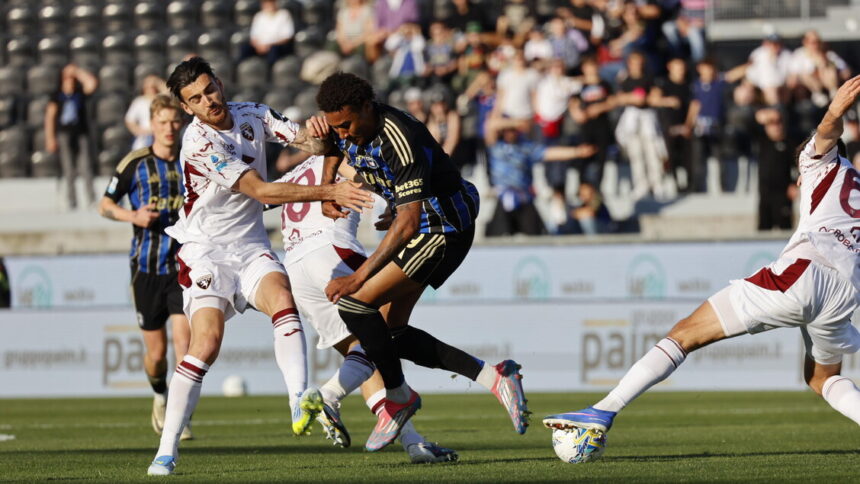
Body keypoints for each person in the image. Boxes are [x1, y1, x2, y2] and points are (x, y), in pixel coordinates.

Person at [544, 76, 860, 452]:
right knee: (822, 378)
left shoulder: (816, 163)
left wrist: (834, 110)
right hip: (845, 293)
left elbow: (826, 133)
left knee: (684, 334)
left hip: (804, 272)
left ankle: (603, 410)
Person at [146, 57, 372, 476]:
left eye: (209, 88)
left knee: (283, 301)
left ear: (219, 80)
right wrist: (330, 188)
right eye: (195, 99)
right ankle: (166, 449)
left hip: (250, 245)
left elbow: (304, 141)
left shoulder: (253, 113)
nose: (208, 100)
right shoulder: (198, 144)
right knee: (206, 344)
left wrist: (318, 135)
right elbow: (264, 192)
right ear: (187, 108)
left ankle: (299, 400)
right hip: (206, 250)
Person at [307, 72, 530, 453]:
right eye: (335, 126)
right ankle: (495, 377)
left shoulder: (400, 136)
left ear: (366, 107)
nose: (342, 133)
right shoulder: (348, 128)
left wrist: (357, 277)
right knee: (391, 333)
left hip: (442, 228)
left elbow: (409, 223)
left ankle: (397, 398)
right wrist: (328, 189)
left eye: (345, 125)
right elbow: (331, 146)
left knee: (354, 302)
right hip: (422, 222)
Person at [275, 153, 458, 464]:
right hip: (331, 250)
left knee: (364, 354)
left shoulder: (298, 170)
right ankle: (328, 397)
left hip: (295, 266)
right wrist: (398, 204)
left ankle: (414, 443)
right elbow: (371, 177)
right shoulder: (343, 152)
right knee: (383, 330)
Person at [98, 94, 193, 441]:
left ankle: (179, 417)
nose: (170, 129)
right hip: (146, 268)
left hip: (183, 268)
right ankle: (159, 395)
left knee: (185, 344)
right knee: (157, 355)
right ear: (152, 125)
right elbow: (105, 204)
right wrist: (133, 215)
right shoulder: (135, 163)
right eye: (163, 123)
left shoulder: (191, 159)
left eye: (174, 122)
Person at [484, 118, 595, 236]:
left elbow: (550, 153)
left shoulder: (526, 148)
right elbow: (491, 125)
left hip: (523, 197)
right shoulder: (496, 147)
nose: (510, 133)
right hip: (503, 198)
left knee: (535, 234)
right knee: (498, 235)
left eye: (513, 130)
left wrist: (577, 152)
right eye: (507, 130)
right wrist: (516, 122)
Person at [45, 63, 98, 210]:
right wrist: (50, 138)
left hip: (81, 132)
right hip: (64, 134)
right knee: (68, 168)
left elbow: (92, 84)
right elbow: (50, 117)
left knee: (86, 166)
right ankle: (71, 200)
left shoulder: (79, 93)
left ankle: (91, 198)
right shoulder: (57, 95)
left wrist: (78, 72)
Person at [241, 0, 295, 65]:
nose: (268, 5)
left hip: (276, 46)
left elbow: (287, 36)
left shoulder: (284, 14)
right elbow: (254, 37)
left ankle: (270, 71)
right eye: (266, 3)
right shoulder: (259, 16)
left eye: (270, 3)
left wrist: (269, 46)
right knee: (245, 48)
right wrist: (259, 46)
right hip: (261, 46)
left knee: (273, 50)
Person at [125, 75, 167, 150]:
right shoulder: (139, 101)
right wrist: (139, 131)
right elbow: (129, 120)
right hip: (145, 136)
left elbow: (168, 92)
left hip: (161, 133)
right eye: (148, 87)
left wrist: (157, 81)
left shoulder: (162, 99)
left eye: (153, 87)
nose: (151, 89)